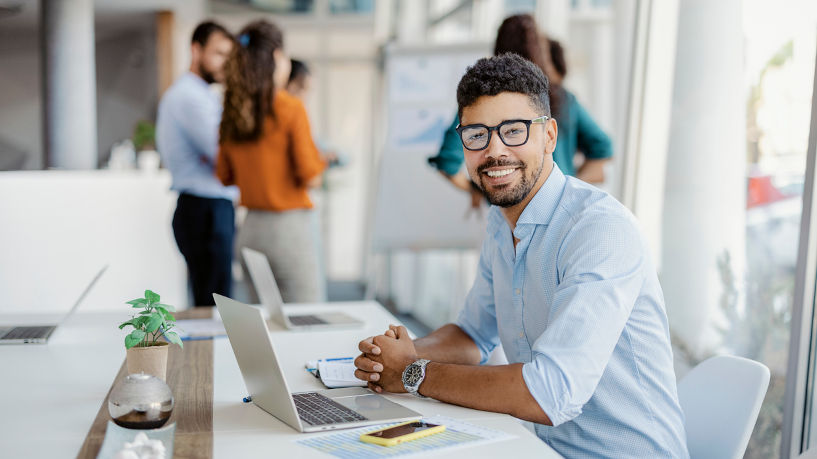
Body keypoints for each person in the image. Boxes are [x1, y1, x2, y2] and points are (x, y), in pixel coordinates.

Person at [353, 54, 688, 458]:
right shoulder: (501, 224)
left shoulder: (599, 230)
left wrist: (412, 373)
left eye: (513, 131)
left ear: (549, 136)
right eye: (477, 134)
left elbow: (551, 393)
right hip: (536, 446)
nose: (494, 151)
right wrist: (398, 355)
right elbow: (473, 335)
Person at [428, 14, 612, 206]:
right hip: (554, 204)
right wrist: (569, 183)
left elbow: (447, 162)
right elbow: (602, 146)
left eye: (514, 130)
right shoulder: (563, 98)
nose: (497, 151)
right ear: (541, 49)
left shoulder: (480, 102)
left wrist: (482, 190)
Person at [216, 20, 327, 303]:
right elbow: (311, 176)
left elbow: (224, 175)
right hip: (287, 231)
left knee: (264, 320)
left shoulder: (233, 110)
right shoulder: (290, 107)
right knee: (307, 318)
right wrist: (321, 161)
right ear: (277, 57)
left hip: (250, 230)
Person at [156, 21, 237, 307]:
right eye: (219, 53)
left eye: (229, 56)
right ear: (196, 50)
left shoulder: (201, 95)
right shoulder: (189, 97)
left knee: (213, 302)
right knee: (216, 306)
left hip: (206, 208)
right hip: (205, 210)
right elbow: (224, 154)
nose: (225, 63)